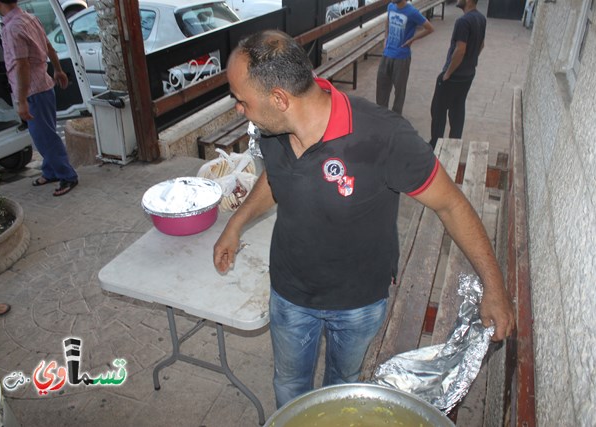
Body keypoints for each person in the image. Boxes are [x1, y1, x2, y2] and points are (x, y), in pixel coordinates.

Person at [213, 30, 514, 408]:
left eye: (242, 101)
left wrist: (495, 286)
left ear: (279, 98)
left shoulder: (382, 137)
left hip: (357, 304)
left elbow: (451, 204)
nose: (239, 109)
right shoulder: (272, 131)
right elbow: (275, 179)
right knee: (290, 384)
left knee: (342, 386)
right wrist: (234, 225)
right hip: (290, 295)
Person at [0, 0, 78, 196]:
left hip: (34, 92)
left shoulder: (13, 27)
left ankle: (67, 176)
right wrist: (57, 69)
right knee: (44, 133)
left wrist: (22, 101)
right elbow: (48, 45)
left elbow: (22, 65)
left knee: (45, 138)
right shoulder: (29, 18)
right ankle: (51, 171)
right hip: (43, 86)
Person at [428, 0, 486, 149]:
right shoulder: (481, 18)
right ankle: (454, 144)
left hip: (455, 75)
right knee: (457, 109)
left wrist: (447, 73)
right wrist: (471, 61)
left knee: (438, 110)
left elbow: (460, 50)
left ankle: (435, 145)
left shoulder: (463, 21)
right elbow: (481, 45)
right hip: (468, 74)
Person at [376, 0, 434, 116]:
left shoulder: (412, 12)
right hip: (387, 54)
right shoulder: (390, 6)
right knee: (381, 87)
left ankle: (396, 117)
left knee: (399, 90)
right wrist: (385, 38)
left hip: (401, 57)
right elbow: (387, 22)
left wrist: (412, 39)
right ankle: (381, 116)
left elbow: (429, 28)